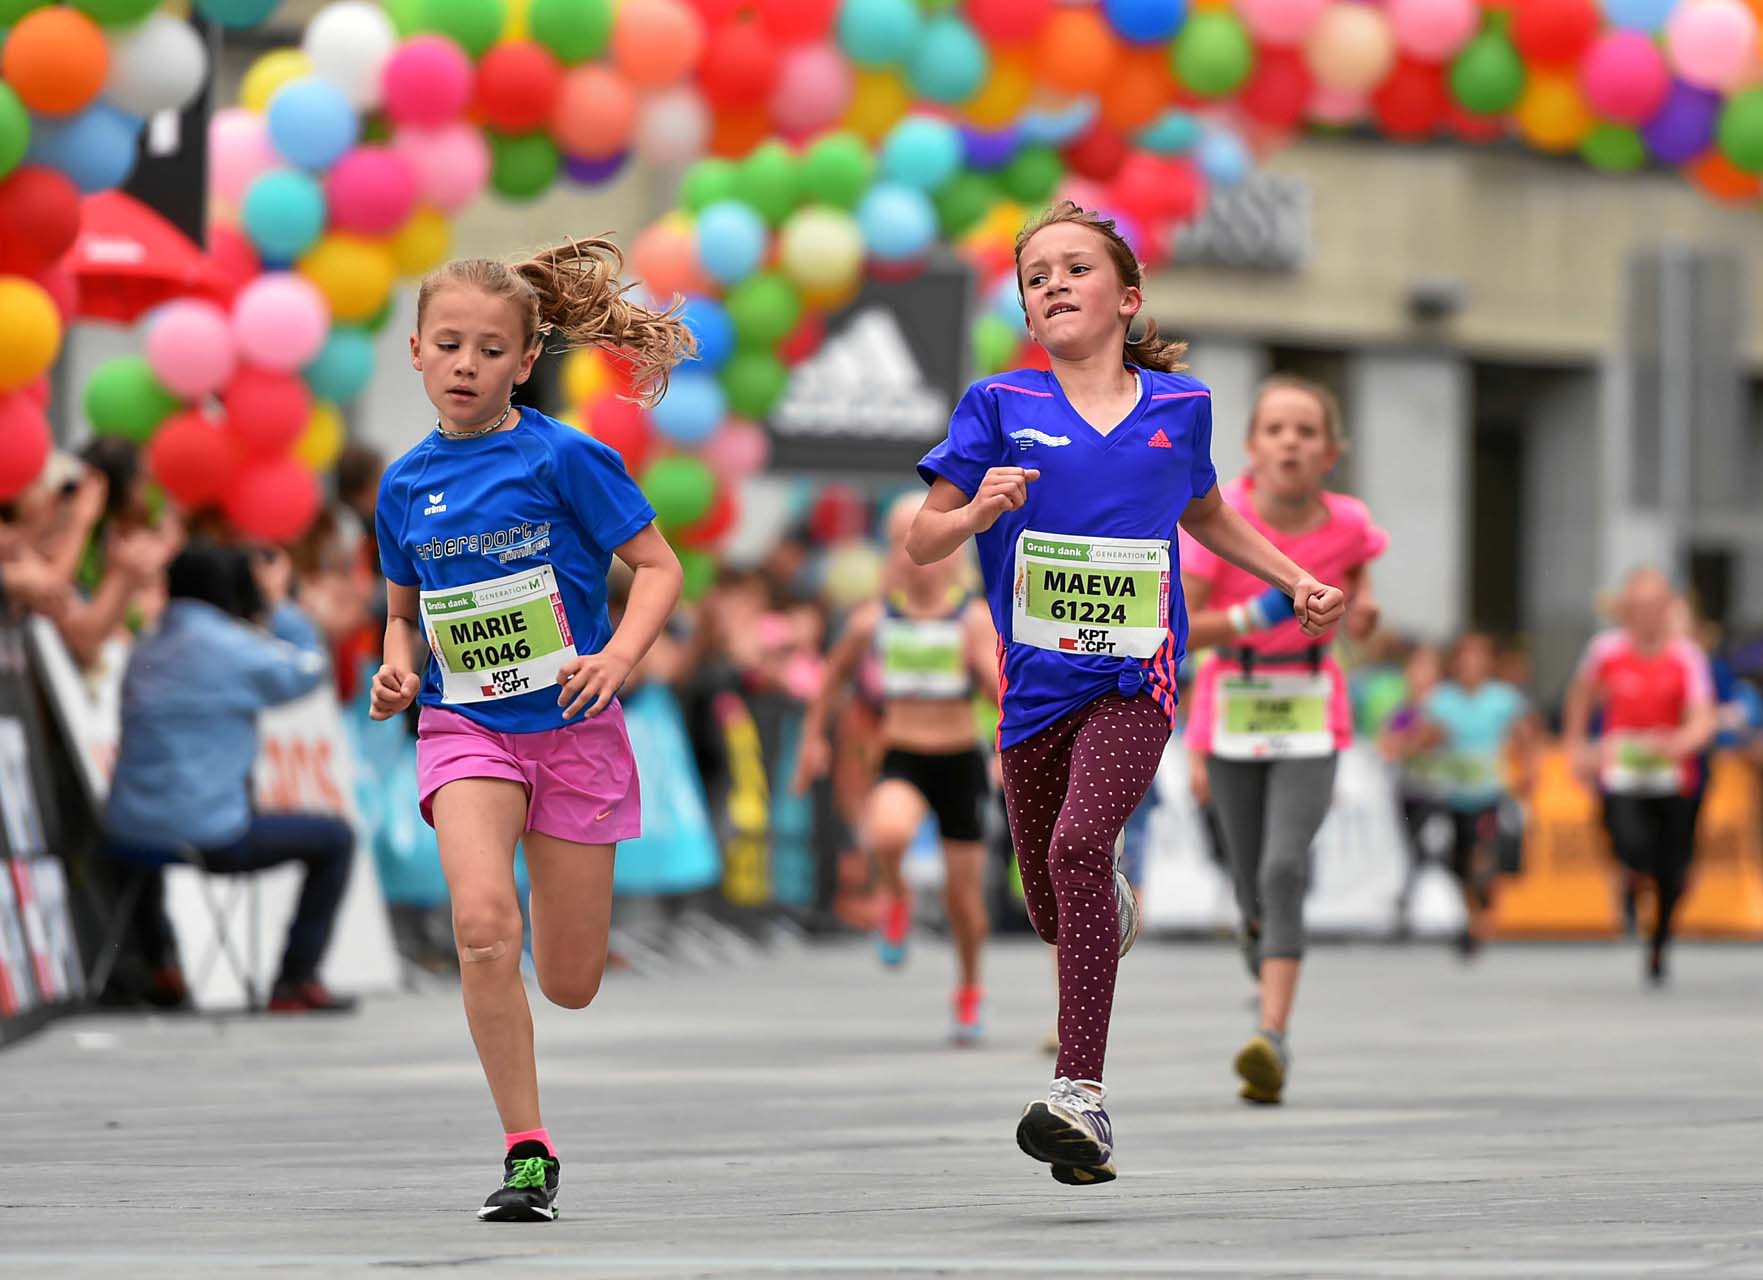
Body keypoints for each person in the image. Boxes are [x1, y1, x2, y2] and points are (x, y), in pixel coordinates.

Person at [907, 201, 1345, 1186]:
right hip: (1032, 691)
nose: (1053, 284)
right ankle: (1102, 899)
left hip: (1132, 676)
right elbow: (921, 540)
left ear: (1127, 297)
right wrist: (975, 510)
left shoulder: (1179, 407)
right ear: (1027, 312)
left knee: (1076, 845)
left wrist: (1294, 580)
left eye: (1075, 268)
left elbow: (1207, 513)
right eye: (1036, 277)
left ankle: (1081, 1095)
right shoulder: (995, 404)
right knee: (1051, 905)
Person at [368, 238, 690, 1223]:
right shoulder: (402, 484)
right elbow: (401, 612)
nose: (465, 364)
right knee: (480, 930)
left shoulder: (564, 456)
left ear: (524, 359)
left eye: (489, 348)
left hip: (574, 728)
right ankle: (526, 1149)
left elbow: (660, 568)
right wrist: (397, 667)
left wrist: (616, 658)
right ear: (416, 351)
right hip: (464, 726)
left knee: (570, 980)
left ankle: (551, 1022)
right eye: (448, 345)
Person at [1179, 373, 1385, 1108]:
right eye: (1275, 430)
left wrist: (1362, 618)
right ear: (1251, 446)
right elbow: (1181, 629)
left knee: (1283, 866)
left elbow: (1359, 600)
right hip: (1231, 705)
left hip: (1310, 707)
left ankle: (1271, 1037)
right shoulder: (1220, 518)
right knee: (1249, 884)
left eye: (1306, 432)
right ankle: (1259, 942)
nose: (1290, 444)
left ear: (1330, 451)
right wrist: (1258, 613)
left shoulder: (1350, 522)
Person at [102, 541, 356, 1013]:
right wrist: (278, 604)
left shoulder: (145, 646)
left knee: (150, 830)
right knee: (337, 838)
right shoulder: (232, 648)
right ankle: (294, 981)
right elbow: (309, 670)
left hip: (127, 833)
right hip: (212, 836)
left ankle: (159, 968)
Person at [794, 494, 999, 1043]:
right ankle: (897, 897)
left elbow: (1002, 691)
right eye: (902, 545)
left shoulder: (972, 618)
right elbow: (832, 676)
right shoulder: (874, 618)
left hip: (959, 760)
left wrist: (1005, 745)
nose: (916, 560)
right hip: (904, 754)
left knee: (964, 902)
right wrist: (812, 740)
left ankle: (969, 988)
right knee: (885, 833)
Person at [1562, 568, 1716, 986]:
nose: (1646, 614)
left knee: (1673, 870)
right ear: (1625, 609)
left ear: (1667, 608)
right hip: (1622, 773)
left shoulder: (1686, 656)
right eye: (1638, 606)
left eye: (1654, 606)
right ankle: (1631, 880)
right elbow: (1581, 697)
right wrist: (1577, 746)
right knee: (1629, 842)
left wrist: (1680, 742)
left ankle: (1660, 940)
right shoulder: (1605, 650)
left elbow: (1702, 717)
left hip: (1673, 777)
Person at [1418, 633, 1537, 956]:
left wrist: (1528, 769)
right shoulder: (1440, 699)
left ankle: (1482, 918)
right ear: (1455, 662)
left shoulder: (1503, 698)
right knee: (1459, 860)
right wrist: (1432, 737)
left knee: (1482, 855)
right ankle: (1471, 914)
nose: (1471, 664)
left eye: (1478, 656)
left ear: (1488, 662)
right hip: (1453, 795)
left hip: (1489, 793)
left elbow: (1525, 735)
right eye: (1465, 657)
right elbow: (1420, 738)